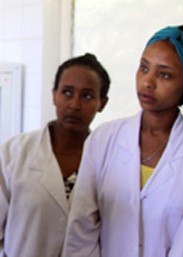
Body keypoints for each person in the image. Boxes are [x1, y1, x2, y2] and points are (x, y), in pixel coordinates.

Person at [63, 20, 183, 257]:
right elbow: (81, 231)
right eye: (144, 68)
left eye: (165, 75)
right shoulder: (104, 139)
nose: (148, 82)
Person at [0, 53, 110, 257]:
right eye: (67, 92)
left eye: (87, 96)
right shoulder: (13, 154)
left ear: (102, 103)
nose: (75, 105)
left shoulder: (109, 161)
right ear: (54, 95)